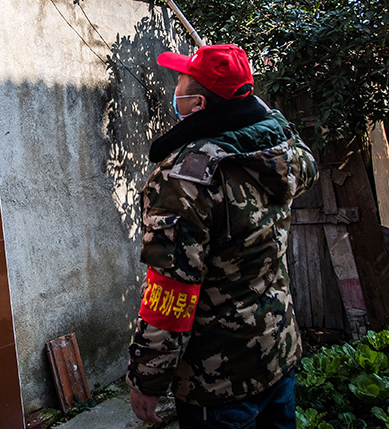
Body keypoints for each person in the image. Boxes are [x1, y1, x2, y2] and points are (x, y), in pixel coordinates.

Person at [125, 44, 318, 428]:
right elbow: (289, 138)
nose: (174, 86)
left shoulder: (186, 176)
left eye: (180, 80)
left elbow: (172, 290)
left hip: (218, 378)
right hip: (276, 351)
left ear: (197, 103)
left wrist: (148, 378)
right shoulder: (279, 152)